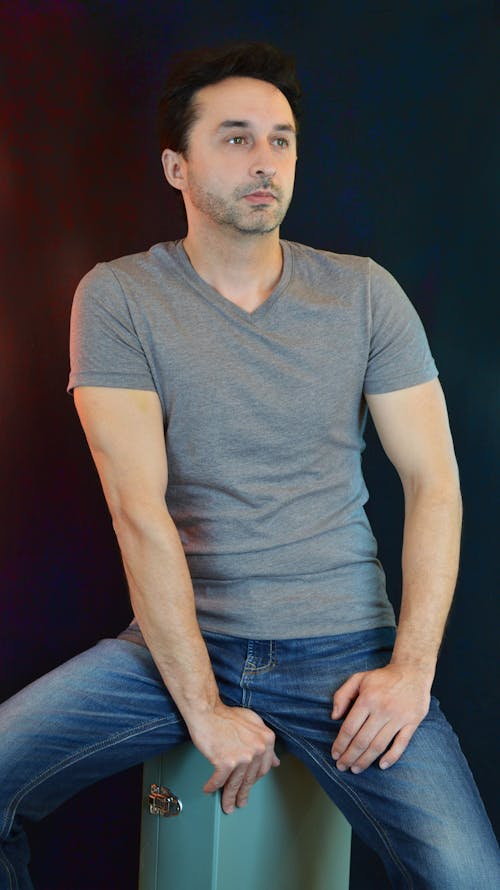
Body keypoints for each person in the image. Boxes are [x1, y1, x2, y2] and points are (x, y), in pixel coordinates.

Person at [0, 41, 498, 890]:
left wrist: (410, 673)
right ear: (175, 166)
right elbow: (138, 511)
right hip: (172, 651)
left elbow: (435, 487)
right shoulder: (118, 297)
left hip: (343, 650)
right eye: (235, 138)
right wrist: (202, 704)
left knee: (466, 875)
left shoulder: (364, 293)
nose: (265, 160)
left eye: (282, 139)